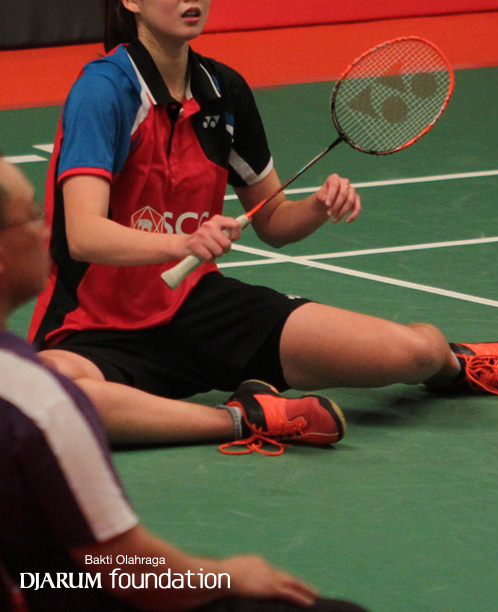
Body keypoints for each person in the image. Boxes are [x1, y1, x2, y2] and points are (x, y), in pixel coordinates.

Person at [28, 0, 498, 454]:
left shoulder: (222, 91)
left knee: (411, 353)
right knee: (52, 397)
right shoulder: (104, 92)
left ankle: (457, 365)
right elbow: (84, 235)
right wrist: (182, 242)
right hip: (93, 329)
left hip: (201, 311)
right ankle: (244, 418)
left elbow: (274, 222)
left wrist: (318, 207)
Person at [0, 155, 370, 612]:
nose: (46, 231)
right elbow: (117, 565)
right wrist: (226, 575)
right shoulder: (32, 398)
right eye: (32, 216)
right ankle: (241, 419)